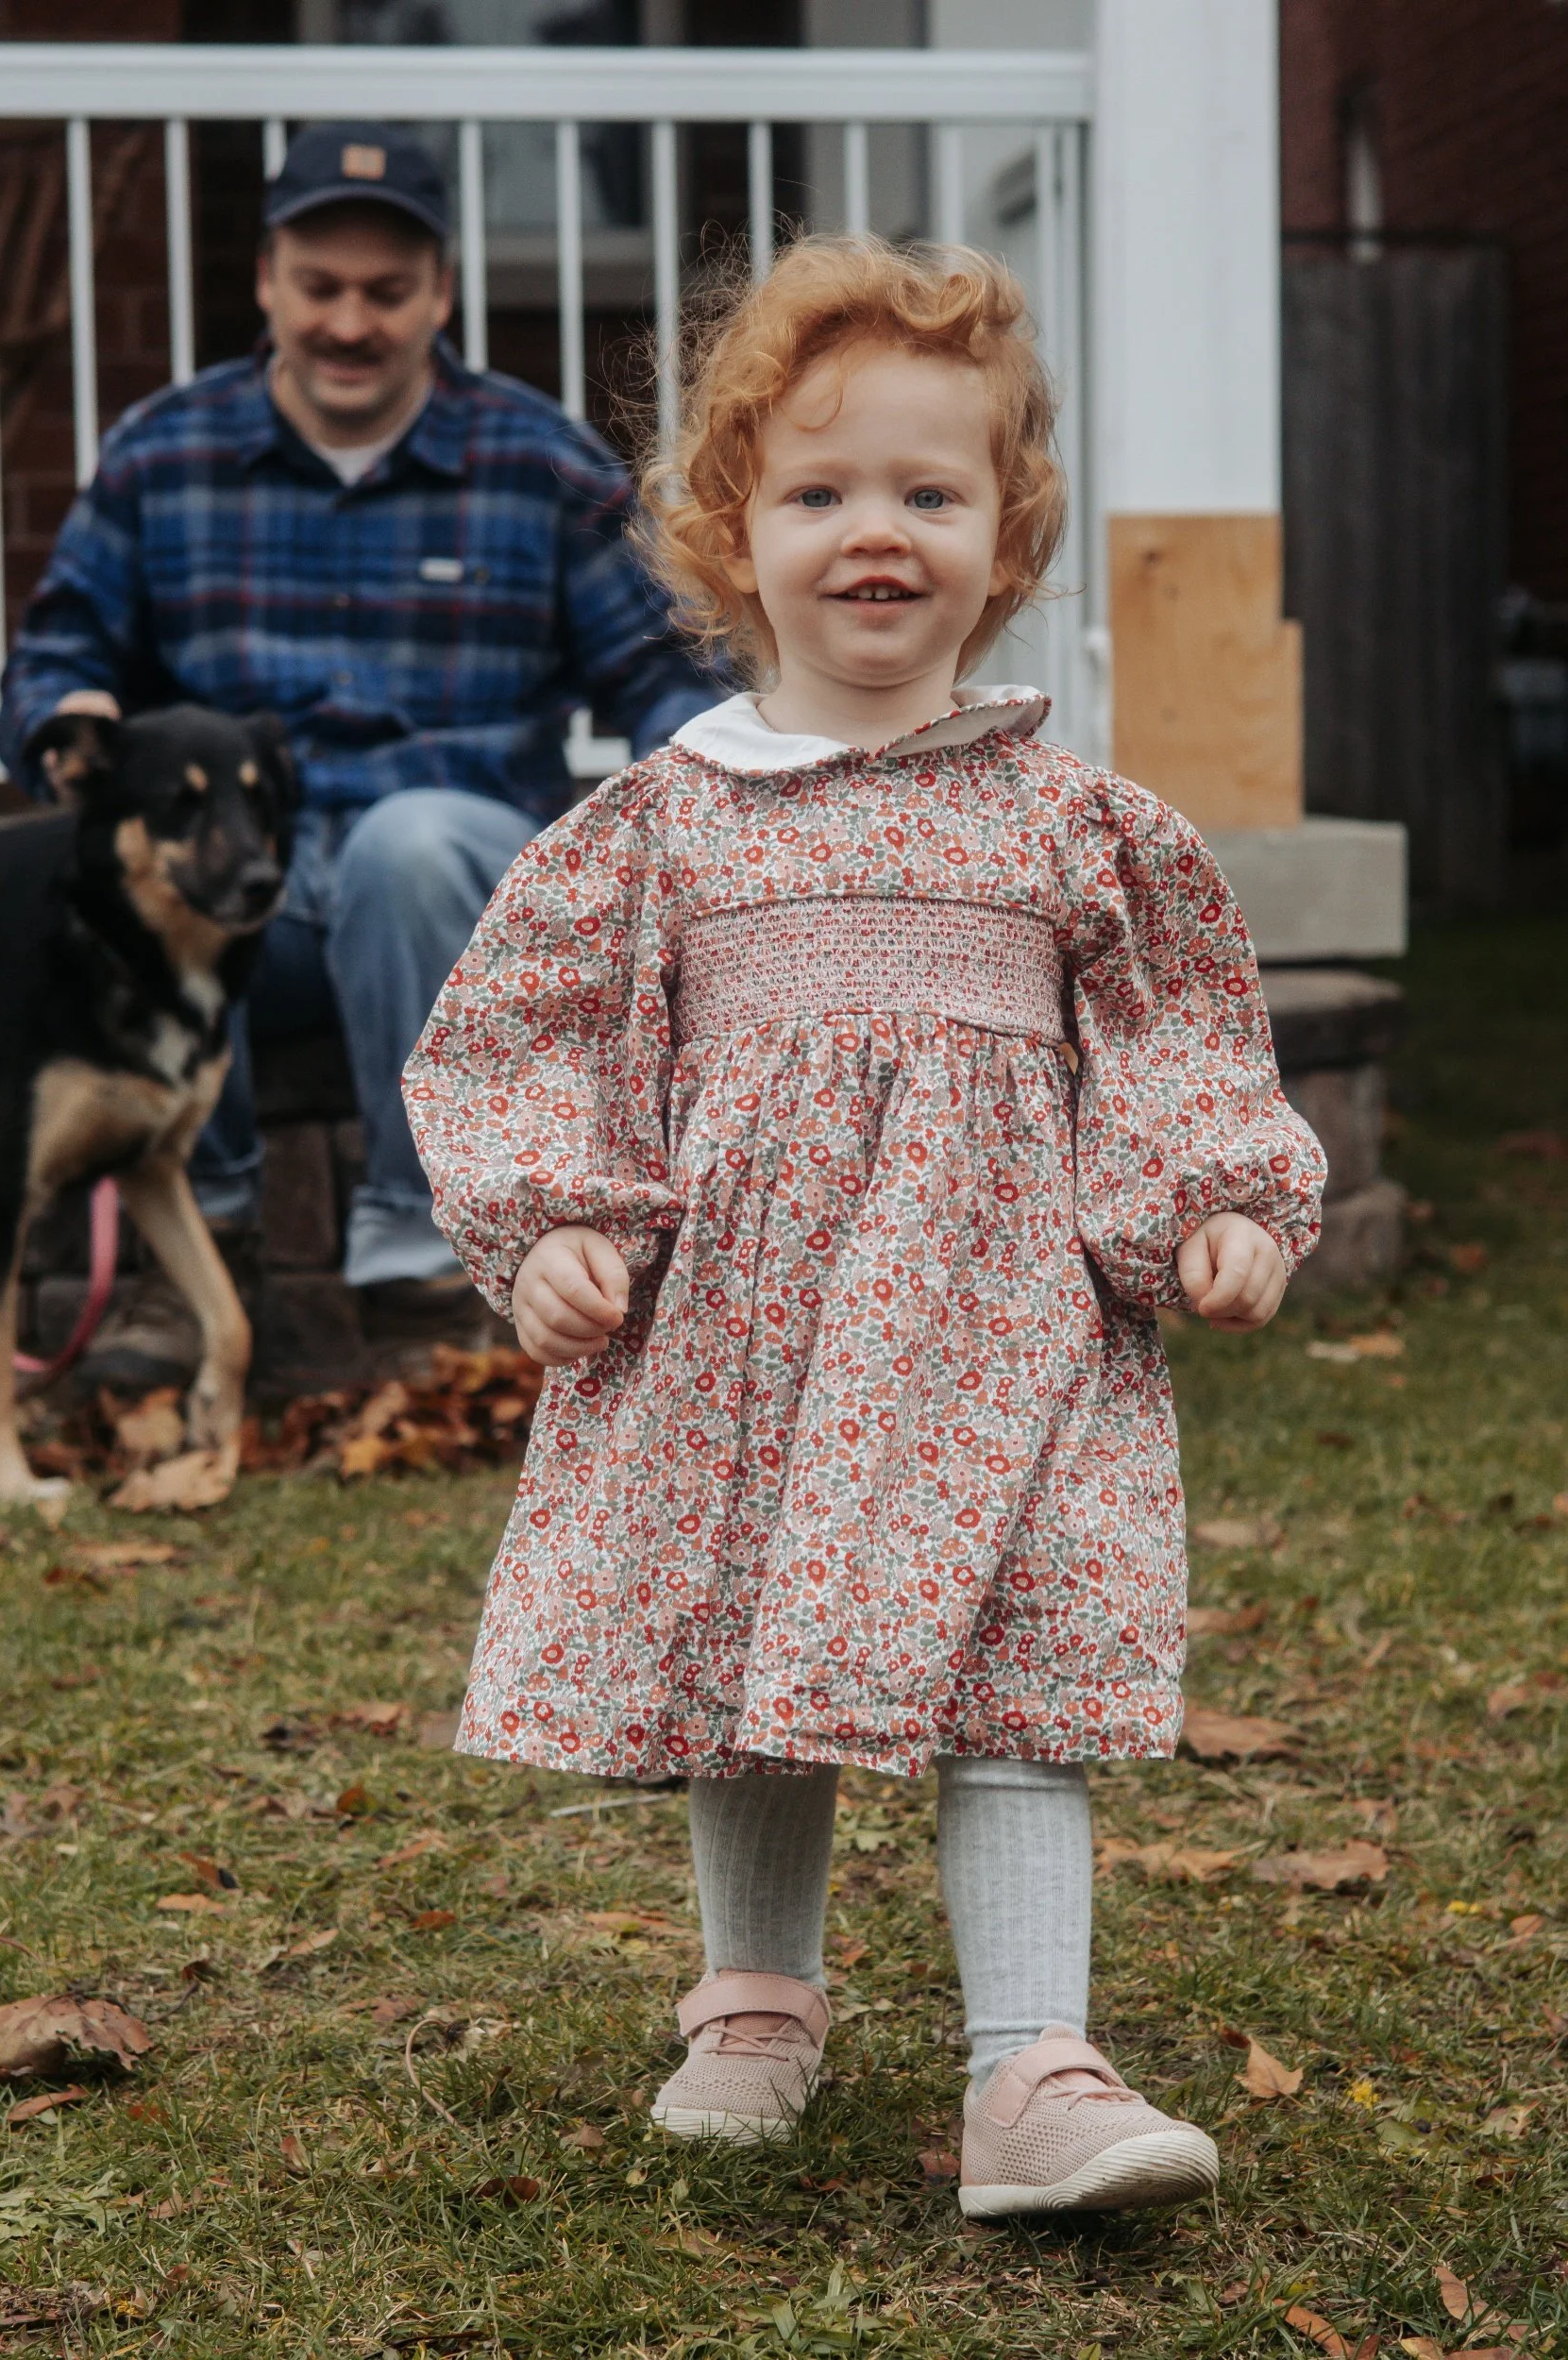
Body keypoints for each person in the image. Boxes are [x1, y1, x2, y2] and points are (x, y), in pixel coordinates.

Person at [403, 236, 1326, 2217]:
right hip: (741, 1325)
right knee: (750, 1615)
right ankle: (756, 1991)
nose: (873, 533)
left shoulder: (1068, 821)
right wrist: (555, 1224)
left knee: (1010, 1657)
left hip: (1003, 1328)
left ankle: (1030, 2068)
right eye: (819, 493)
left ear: (1008, 535)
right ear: (735, 534)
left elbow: (1173, 1034)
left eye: (929, 490)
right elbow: (527, 1038)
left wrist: (1213, 1201)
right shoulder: (663, 820)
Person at [0, 120, 711, 1370]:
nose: (348, 323)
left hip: (453, 887)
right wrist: (69, 723)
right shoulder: (164, 455)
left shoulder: (534, 462)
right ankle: (193, 1264)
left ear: (439, 291)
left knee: (405, 841)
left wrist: (706, 794)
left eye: (386, 293)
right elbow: (59, 655)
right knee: (141, 872)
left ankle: (424, 1259)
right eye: (319, 288)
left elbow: (663, 673)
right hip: (236, 889)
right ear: (267, 280)